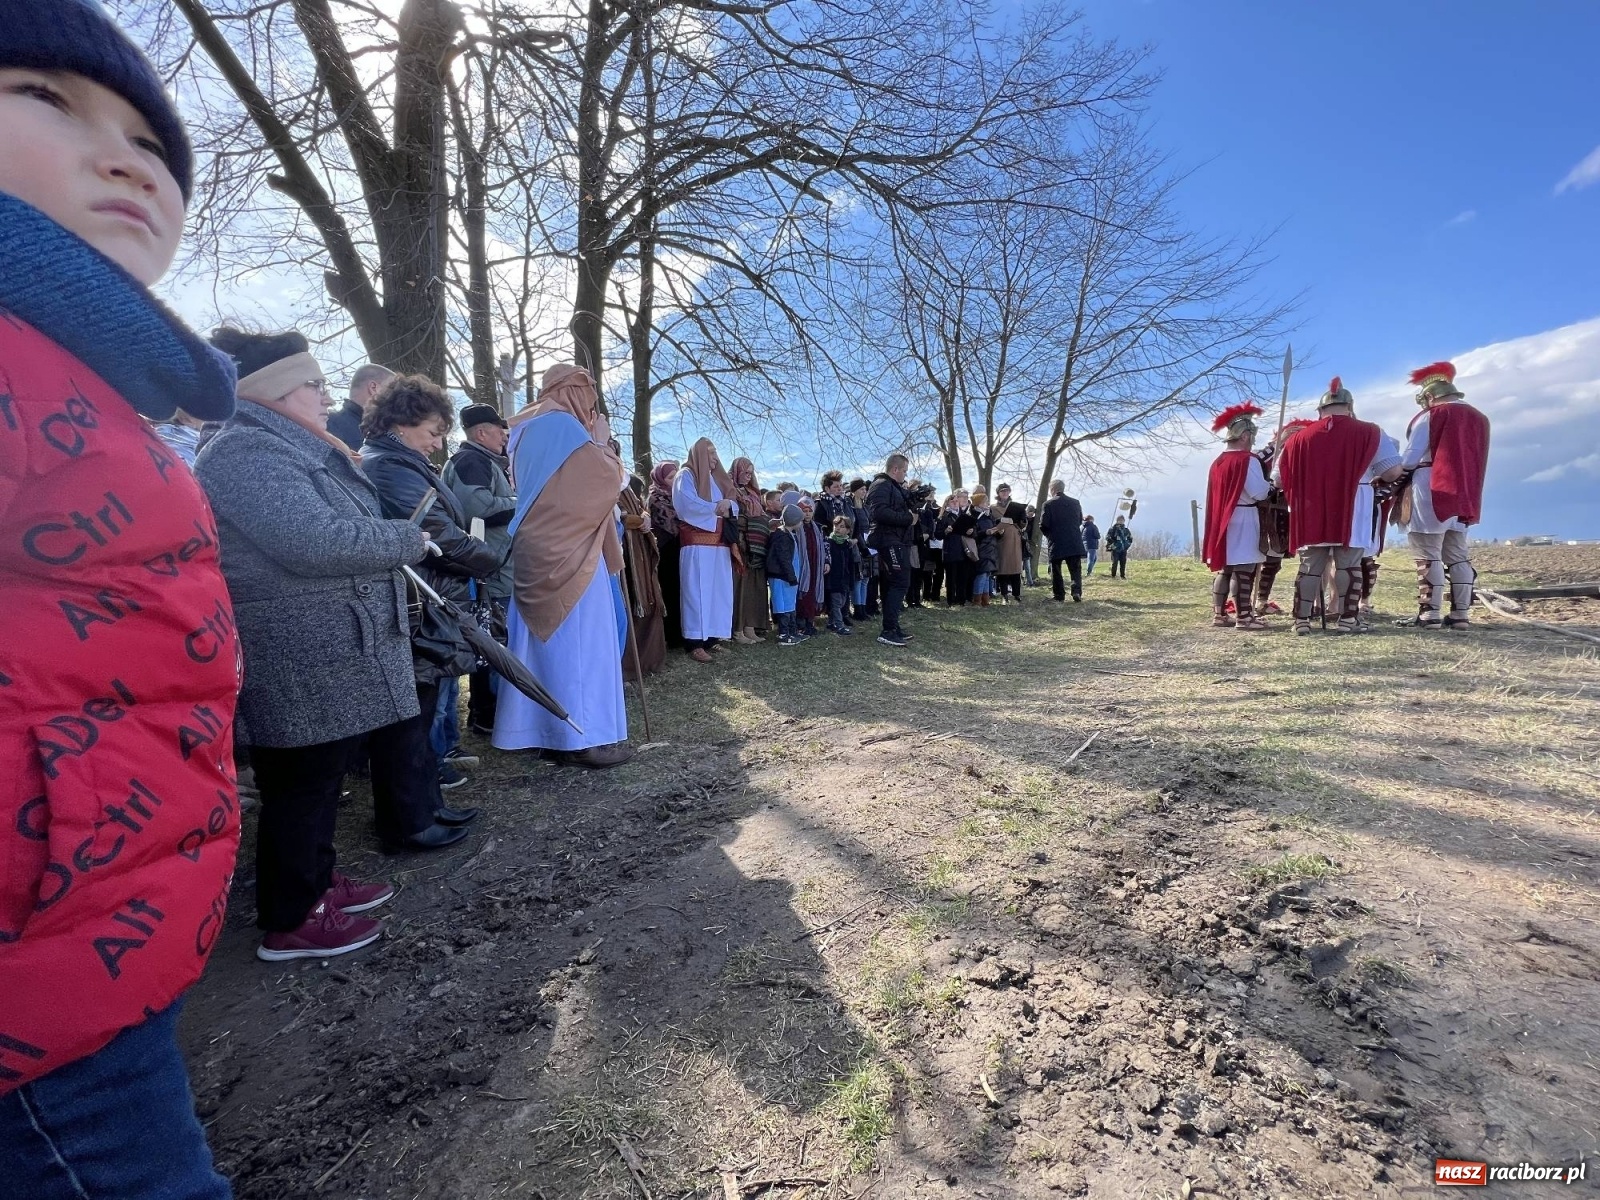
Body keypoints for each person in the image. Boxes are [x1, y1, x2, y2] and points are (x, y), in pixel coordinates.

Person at [0, 12, 239, 1189]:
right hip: (33, 967)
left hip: (93, 928)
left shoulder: (89, 371)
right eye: (43, 96)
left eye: (153, 140)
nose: (129, 158)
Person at [201, 332, 471, 959]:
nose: (329, 397)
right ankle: (293, 917)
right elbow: (313, 540)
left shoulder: (288, 448)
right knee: (299, 780)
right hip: (298, 648)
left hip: (329, 644)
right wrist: (406, 541)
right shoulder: (244, 451)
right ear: (271, 391)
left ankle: (316, 883)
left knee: (317, 777)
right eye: (314, 386)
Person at [360, 376, 502, 795]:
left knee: (432, 699)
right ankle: (416, 808)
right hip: (420, 600)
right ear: (401, 423)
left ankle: (427, 793)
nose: (438, 444)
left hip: (433, 594)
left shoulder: (403, 462)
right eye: (432, 433)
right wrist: (489, 559)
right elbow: (436, 531)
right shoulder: (389, 466)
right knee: (417, 712)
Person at [494, 366, 632, 765]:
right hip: (572, 551)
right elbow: (607, 482)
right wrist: (602, 444)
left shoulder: (524, 431)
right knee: (580, 644)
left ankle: (538, 730)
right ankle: (580, 739)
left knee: (543, 647)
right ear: (573, 391)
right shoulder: (564, 429)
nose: (592, 405)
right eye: (589, 395)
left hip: (536, 544)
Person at [1276, 377, 1404, 635]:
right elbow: (1392, 472)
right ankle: (1347, 620)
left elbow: (1279, 479)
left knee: (1311, 566)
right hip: (1354, 502)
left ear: (1320, 411)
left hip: (1311, 506)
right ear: (1350, 406)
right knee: (1348, 564)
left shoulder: (1298, 438)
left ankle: (1301, 621)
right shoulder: (1371, 431)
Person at [1394, 361, 1490, 630]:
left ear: (1429, 396)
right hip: (1465, 490)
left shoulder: (1431, 416)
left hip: (1430, 487)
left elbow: (1411, 458)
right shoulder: (1479, 417)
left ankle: (1430, 614)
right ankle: (1461, 614)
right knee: (1457, 553)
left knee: (1428, 552)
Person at [442, 403, 515, 735]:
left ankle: (489, 713)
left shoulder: (481, 460)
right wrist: (521, 501)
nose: (505, 435)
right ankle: (487, 715)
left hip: (494, 566)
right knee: (493, 641)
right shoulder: (472, 460)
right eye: (499, 429)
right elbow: (477, 507)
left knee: (495, 638)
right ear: (481, 432)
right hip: (491, 571)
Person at [1202, 402, 1272, 630]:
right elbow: (1259, 492)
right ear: (1244, 435)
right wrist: (1271, 485)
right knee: (1243, 568)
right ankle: (1244, 617)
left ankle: (1220, 614)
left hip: (1223, 520)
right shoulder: (1246, 460)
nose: (1252, 441)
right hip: (1244, 517)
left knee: (1227, 568)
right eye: (1251, 436)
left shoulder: (1217, 462)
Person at [673, 437, 738, 662]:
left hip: (719, 544)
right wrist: (716, 509)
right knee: (697, 592)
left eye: (715, 453)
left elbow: (733, 502)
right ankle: (694, 642)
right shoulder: (686, 475)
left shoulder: (717, 479)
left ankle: (712, 638)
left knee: (717, 591)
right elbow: (687, 505)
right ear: (700, 454)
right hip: (698, 544)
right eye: (710, 454)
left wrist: (728, 505)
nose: (715, 458)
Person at [866, 453, 918, 646]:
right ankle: (888, 631)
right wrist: (907, 519)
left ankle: (893, 627)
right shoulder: (881, 485)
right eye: (904, 470)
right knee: (900, 582)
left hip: (897, 539)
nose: (905, 474)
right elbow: (878, 512)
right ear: (895, 469)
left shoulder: (894, 487)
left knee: (895, 582)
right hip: (888, 540)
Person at [618, 474, 667, 676]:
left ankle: (648, 661)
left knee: (648, 600)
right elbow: (613, 515)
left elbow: (641, 508)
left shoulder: (627, 486)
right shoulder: (602, 482)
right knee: (628, 603)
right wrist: (637, 520)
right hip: (623, 552)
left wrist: (645, 517)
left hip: (640, 551)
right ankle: (628, 667)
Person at [730, 456, 770, 644]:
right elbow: (733, 516)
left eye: (750, 473)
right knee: (741, 586)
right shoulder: (729, 489)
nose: (748, 476)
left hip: (757, 544)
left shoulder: (753, 492)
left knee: (755, 587)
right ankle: (737, 629)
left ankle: (750, 626)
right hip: (740, 543)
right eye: (745, 472)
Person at [647, 460, 683, 647]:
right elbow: (669, 522)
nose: (675, 480)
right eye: (670, 477)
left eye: (676, 476)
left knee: (680, 590)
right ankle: (671, 635)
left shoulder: (678, 495)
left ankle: (681, 632)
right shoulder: (655, 497)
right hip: (665, 549)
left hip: (679, 547)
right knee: (669, 590)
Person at [327, 362, 395, 452]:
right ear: (374, 388)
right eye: (394, 392)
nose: (399, 400)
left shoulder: (386, 432)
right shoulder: (328, 425)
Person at [1039, 480, 1086, 602]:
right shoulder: (1075, 503)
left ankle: (1059, 595)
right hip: (1073, 540)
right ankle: (1076, 591)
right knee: (1075, 569)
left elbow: (1043, 524)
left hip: (1056, 541)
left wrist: (1049, 536)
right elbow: (1080, 520)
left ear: (1052, 489)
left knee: (1056, 569)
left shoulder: (1048, 504)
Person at [767, 504, 805, 645]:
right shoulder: (781, 536)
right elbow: (783, 559)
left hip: (790, 577)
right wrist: (790, 576)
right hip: (782, 577)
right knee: (782, 605)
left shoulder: (789, 535)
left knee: (790, 604)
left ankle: (792, 631)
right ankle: (783, 634)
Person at [938, 491, 979, 606]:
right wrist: (946, 531)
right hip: (950, 550)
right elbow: (937, 534)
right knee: (951, 577)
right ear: (947, 504)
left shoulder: (965, 515)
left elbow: (974, 531)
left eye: (957, 501)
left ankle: (961, 599)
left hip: (963, 550)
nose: (955, 503)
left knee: (963, 576)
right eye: (953, 501)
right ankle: (951, 600)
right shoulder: (944, 517)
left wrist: (971, 532)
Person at [826, 515, 860, 634]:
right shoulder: (829, 542)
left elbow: (850, 564)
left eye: (841, 526)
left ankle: (831, 622)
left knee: (841, 602)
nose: (837, 529)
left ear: (848, 530)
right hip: (833, 578)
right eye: (836, 525)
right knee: (836, 603)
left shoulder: (847, 544)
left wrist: (851, 579)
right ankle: (839, 626)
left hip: (844, 578)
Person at [991, 500, 1024, 602]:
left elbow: (1023, 524)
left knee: (1016, 569)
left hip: (1015, 539)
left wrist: (1023, 520)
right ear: (998, 493)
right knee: (1003, 569)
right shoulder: (994, 507)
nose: (1005, 493)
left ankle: (1016, 594)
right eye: (1003, 491)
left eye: (1007, 491)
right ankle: (1004, 594)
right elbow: (993, 523)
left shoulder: (1015, 506)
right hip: (1003, 540)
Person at [920, 492, 944, 602]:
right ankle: (926, 594)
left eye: (933, 494)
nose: (932, 496)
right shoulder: (923, 508)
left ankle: (935, 595)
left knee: (939, 572)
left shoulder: (939, 508)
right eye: (929, 494)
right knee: (927, 572)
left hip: (940, 545)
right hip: (929, 545)